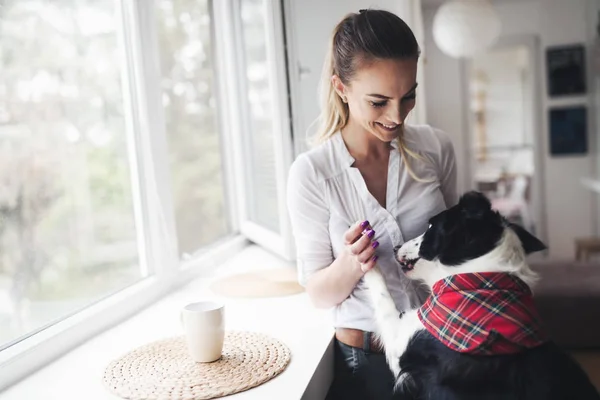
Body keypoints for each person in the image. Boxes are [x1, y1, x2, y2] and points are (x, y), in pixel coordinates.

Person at [286, 8, 459, 400]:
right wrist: (351, 262)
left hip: (444, 349)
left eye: (409, 95)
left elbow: (457, 254)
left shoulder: (436, 148)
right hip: (366, 367)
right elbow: (318, 294)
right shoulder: (312, 174)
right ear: (341, 88)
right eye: (379, 101)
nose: (397, 116)